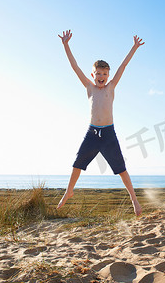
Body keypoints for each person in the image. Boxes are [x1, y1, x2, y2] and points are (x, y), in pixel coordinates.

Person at [57, 30, 144, 216]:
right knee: (77, 163)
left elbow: (123, 66)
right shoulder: (89, 87)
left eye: (105, 73)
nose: (102, 76)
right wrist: (66, 45)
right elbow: (75, 67)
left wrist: (134, 47)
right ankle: (68, 191)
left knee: (121, 169)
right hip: (92, 133)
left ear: (108, 75)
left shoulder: (111, 87)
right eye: (98, 73)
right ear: (93, 74)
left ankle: (134, 200)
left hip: (108, 134)